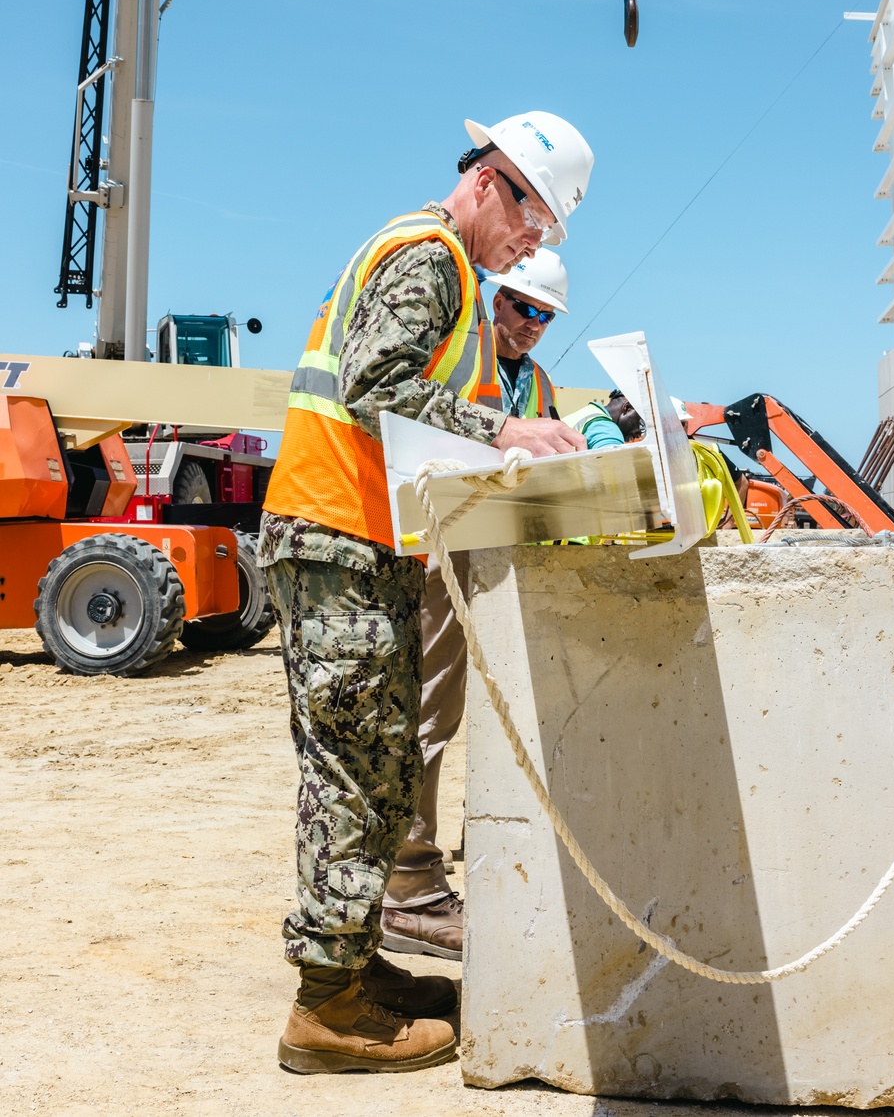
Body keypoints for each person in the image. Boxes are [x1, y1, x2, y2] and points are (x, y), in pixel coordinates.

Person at [258, 112, 593, 1075]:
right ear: (492, 181)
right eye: (535, 219)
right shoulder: (434, 257)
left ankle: (355, 968)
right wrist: (502, 432)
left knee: (380, 761)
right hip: (336, 536)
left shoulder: (434, 256)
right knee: (357, 774)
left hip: (356, 540)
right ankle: (326, 1007)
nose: (536, 244)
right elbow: (373, 383)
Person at [380, 248, 569, 961]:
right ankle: (410, 876)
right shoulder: (464, 356)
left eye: (545, 317)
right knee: (429, 707)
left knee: (485, 711)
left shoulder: (538, 380)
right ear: (498, 299)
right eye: (524, 307)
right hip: (445, 551)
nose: (532, 325)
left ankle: (458, 854)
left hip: (499, 554)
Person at [565, 388, 645, 448]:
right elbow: (611, 468)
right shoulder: (608, 430)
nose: (639, 434)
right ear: (627, 408)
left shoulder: (588, 412)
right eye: (641, 422)